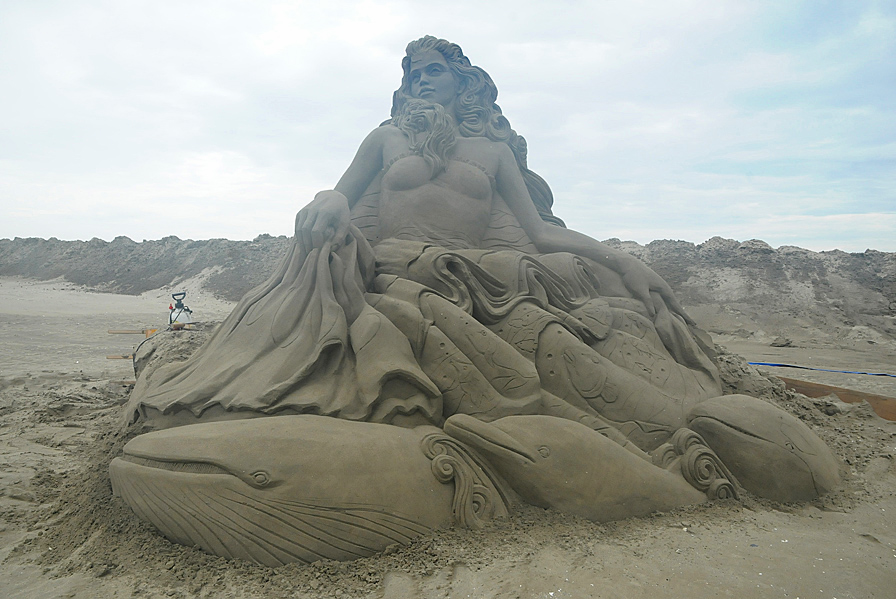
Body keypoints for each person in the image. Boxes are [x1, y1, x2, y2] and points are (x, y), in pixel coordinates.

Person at [127, 36, 722, 453]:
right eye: (412, 74)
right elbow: (341, 194)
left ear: (464, 83)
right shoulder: (386, 139)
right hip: (396, 262)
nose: (419, 80)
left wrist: (621, 259)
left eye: (431, 70)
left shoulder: (493, 152)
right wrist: (327, 199)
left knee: (555, 337)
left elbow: (541, 232)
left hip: (479, 271)